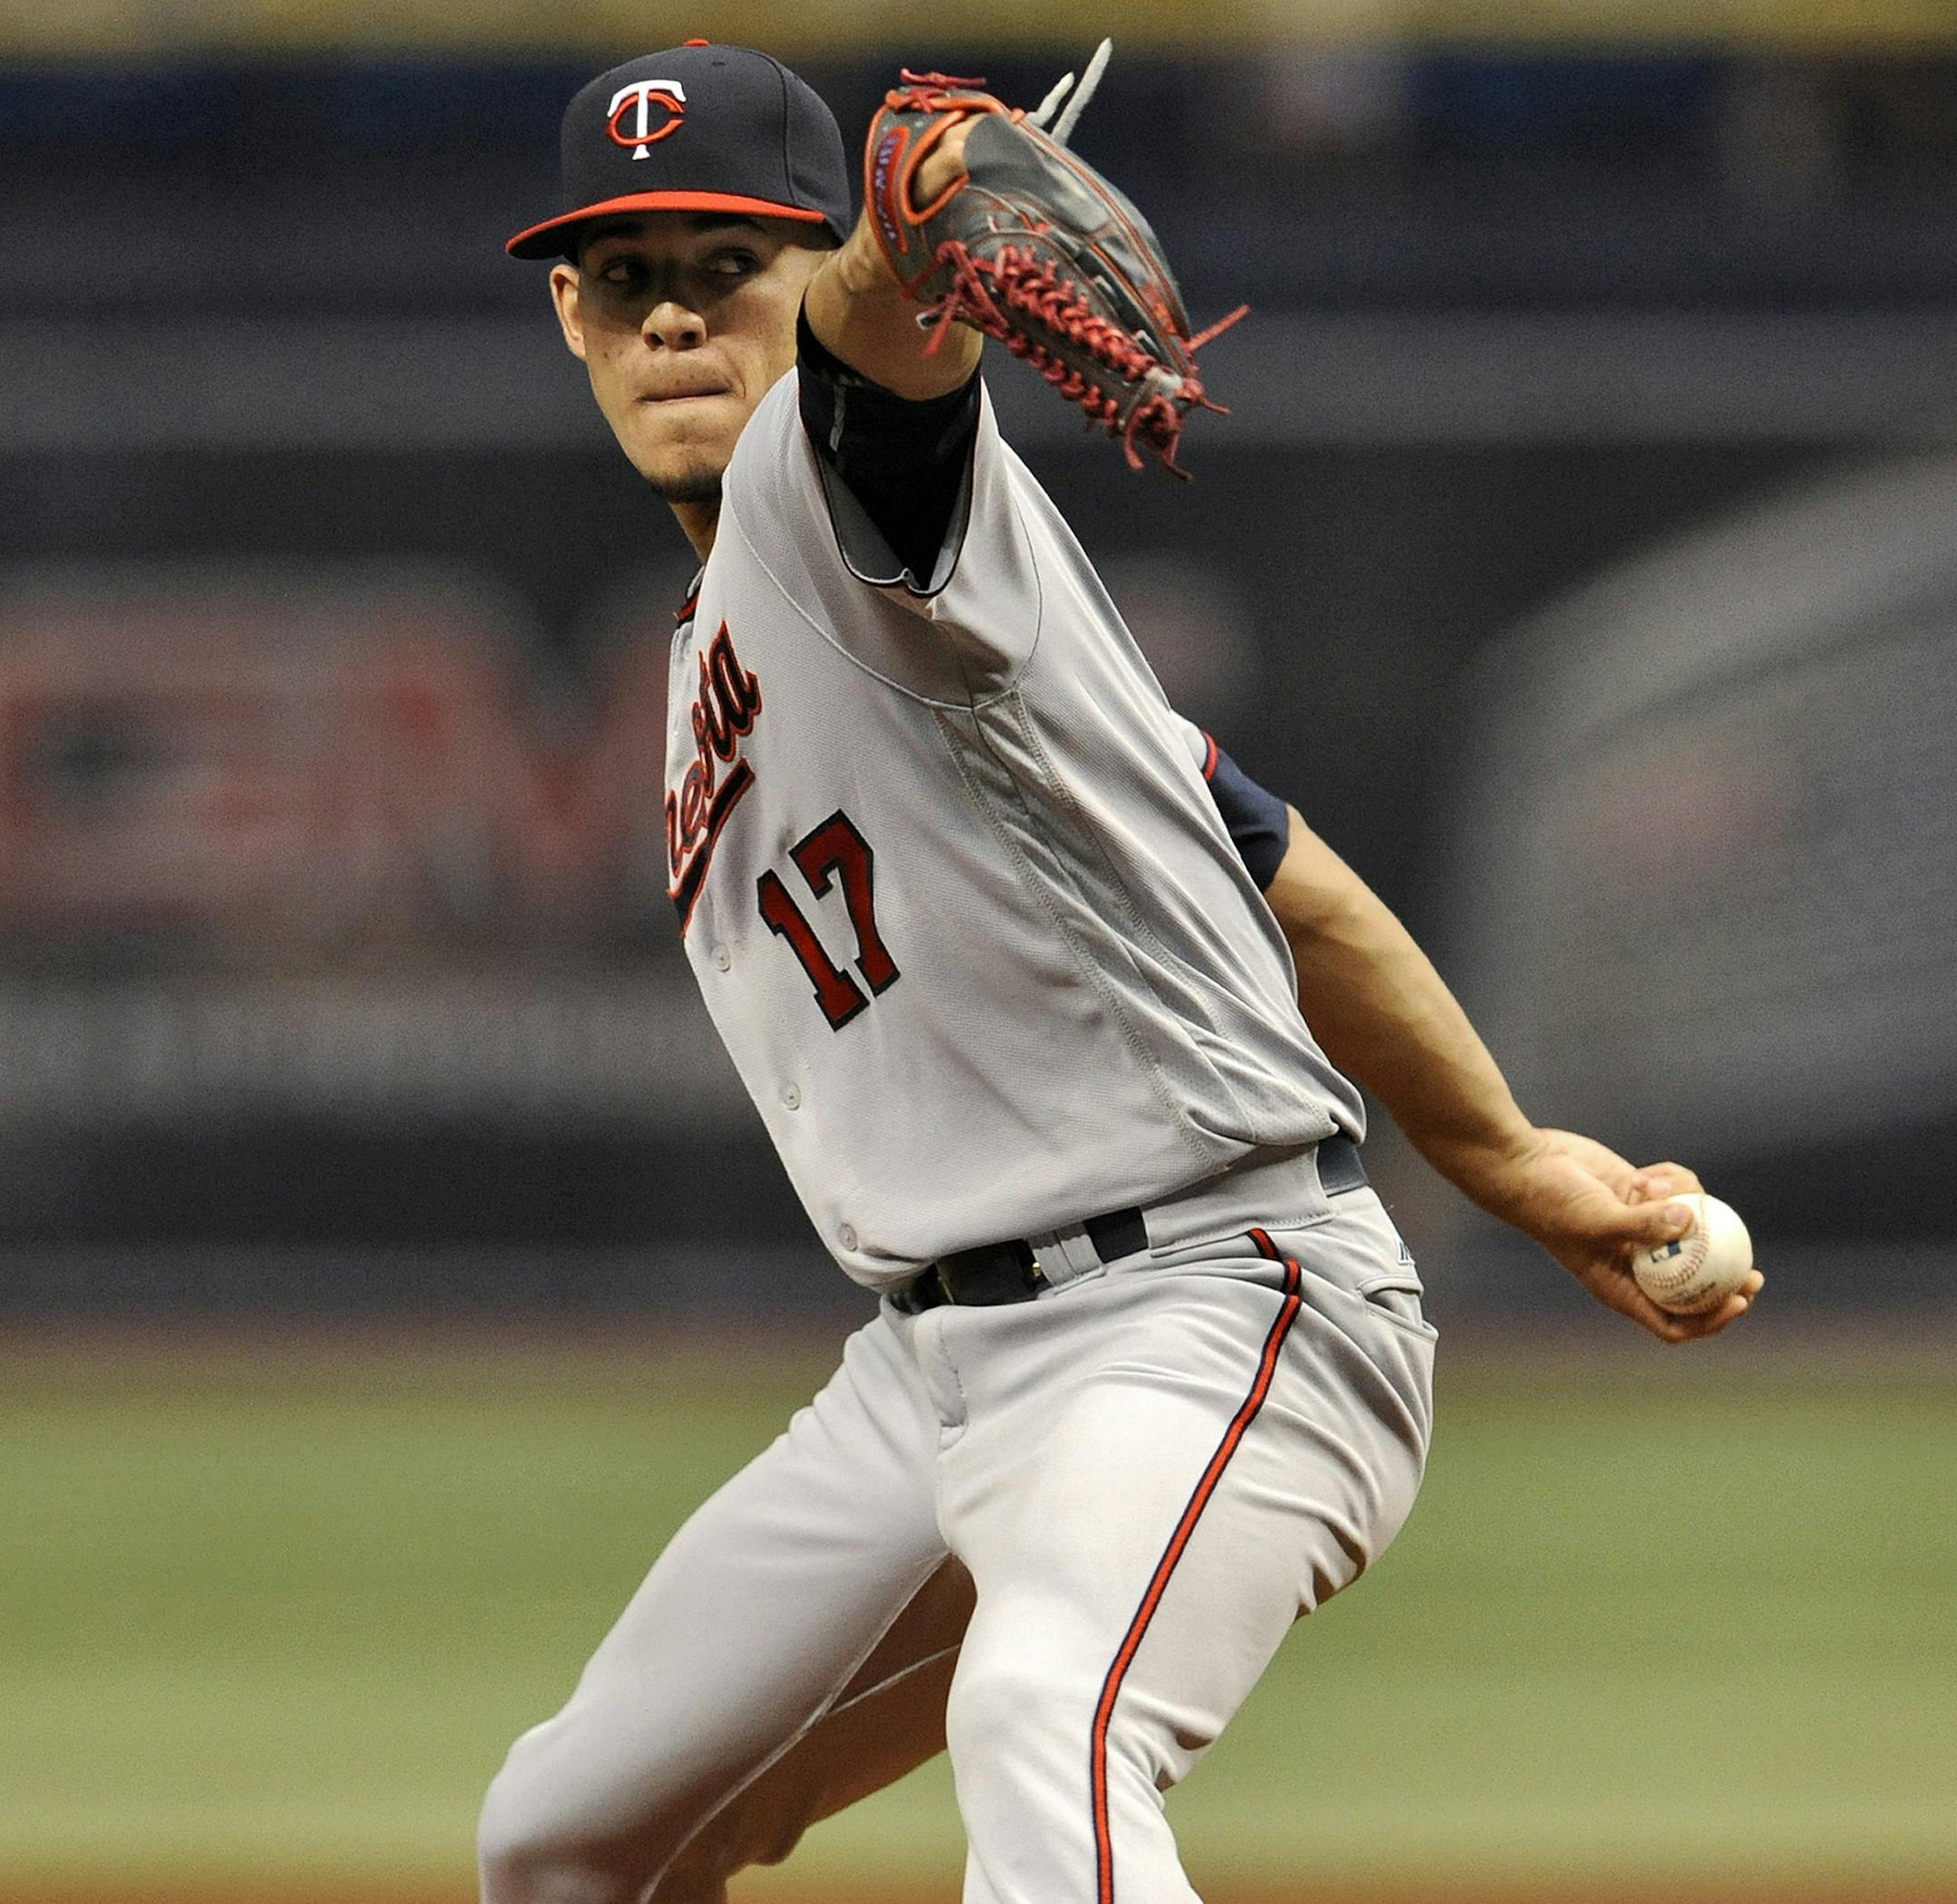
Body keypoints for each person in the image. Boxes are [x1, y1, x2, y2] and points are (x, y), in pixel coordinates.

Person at [477, 43, 1761, 1904]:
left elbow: (874, 368)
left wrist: (911, 249)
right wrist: (1504, 1152)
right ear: (566, 322)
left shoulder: (830, 493)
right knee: (565, 1836)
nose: (676, 312)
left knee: (1047, 1716)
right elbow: (1277, 867)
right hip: (931, 1375)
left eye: (725, 263)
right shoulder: (757, 655)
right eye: (623, 275)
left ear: (810, 267)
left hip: (1208, 1304)